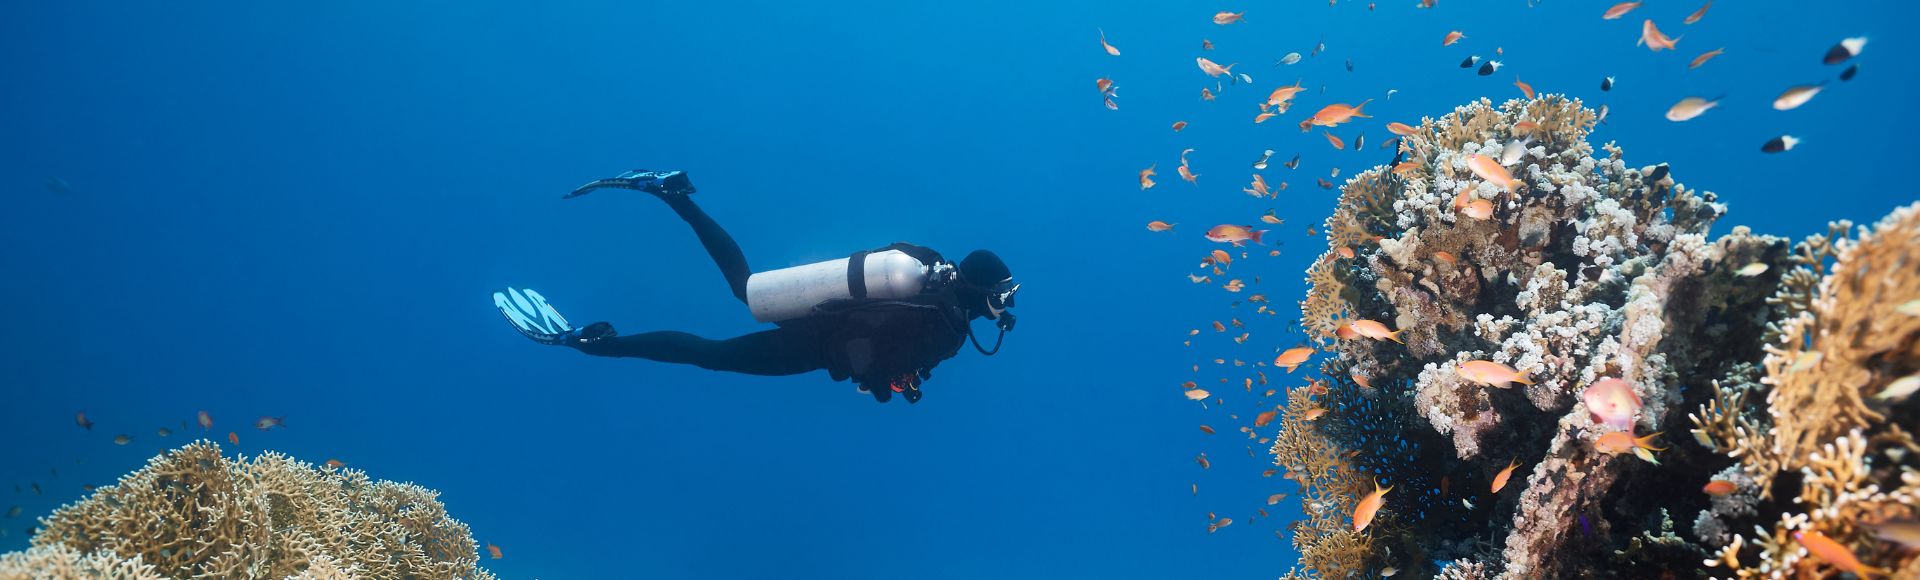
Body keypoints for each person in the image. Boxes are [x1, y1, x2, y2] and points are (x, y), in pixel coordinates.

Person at [496, 169, 1018, 403]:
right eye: (1003, 294)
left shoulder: (925, 264)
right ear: (984, 290)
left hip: (822, 307)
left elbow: (881, 261)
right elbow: (875, 362)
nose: (1003, 306)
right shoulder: (949, 330)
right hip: (814, 345)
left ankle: (672, 194)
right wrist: (886, 385)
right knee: (712, 355)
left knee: (743, 286)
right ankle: (592, 344)